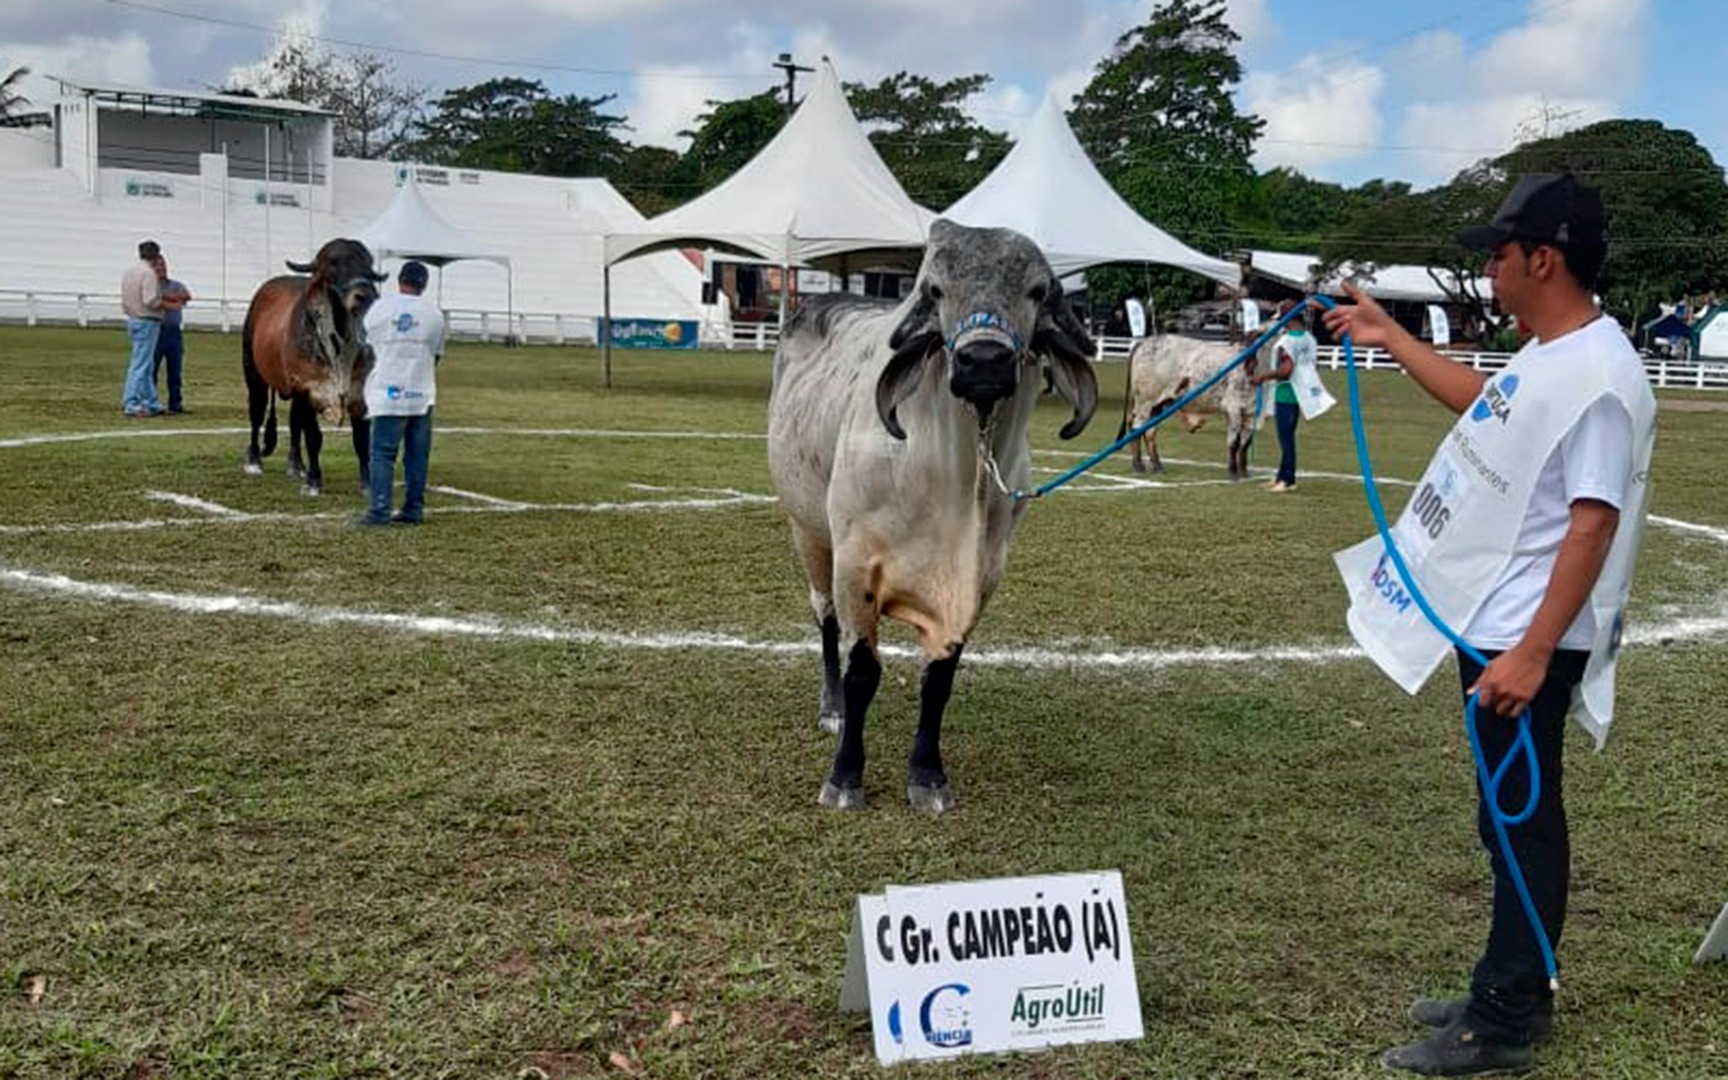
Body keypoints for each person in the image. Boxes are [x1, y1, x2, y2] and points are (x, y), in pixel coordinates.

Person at [1323, 174, 1657, 1076]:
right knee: (1508, 817)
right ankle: (1513, 980)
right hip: (1501, 629)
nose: (1491, 275)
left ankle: (1505, 1015)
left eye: (1498, 258)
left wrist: (1533, 651)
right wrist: (1390, 336)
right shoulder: (1551, 354)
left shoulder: (1598, 379)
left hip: (1527, 642)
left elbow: (1593, 522)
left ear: (1541, 259)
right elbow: (1487, 406)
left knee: (1520, 820)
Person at [356, 261, 446, 527]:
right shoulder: (434, 314)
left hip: (387, 389)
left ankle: (379, 510)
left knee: (383, 453)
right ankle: (413, 509)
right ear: (424, 284)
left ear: (400, 280)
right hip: (421, 390)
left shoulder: (381, 309)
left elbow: (366, 342)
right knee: (417, 454)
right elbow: (437, 353)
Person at [1251, 302, 1328, 493]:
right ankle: (1281, 476)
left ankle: (1287, 480)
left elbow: (1286, 370)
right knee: (1287, 437)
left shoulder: (1288, 342)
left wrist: (1264, 376)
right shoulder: (1309, 338)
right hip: (1301, 391)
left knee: (1286, 440)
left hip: (1286, 392)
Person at [119, 240, 166, 417]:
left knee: (145, 363)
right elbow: (150, 300)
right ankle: (131, 402)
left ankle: (151, 401)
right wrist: (166, 305)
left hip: (133, 318)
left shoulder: (129, 272)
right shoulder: (149, 274)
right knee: (140, 364)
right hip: (147, 320)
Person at [150, 255, 192, 414]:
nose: (161, 268)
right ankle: (151, 401)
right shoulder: (151, 286)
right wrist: (173, 300)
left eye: (163, 265)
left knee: (175, 370)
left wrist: (168, 300)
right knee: (152, 368)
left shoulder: (175, 284)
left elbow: (186, 296)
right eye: (157, 266)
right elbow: (154, 301)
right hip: (157, 330)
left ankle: (176, 403)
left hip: (174, 332)